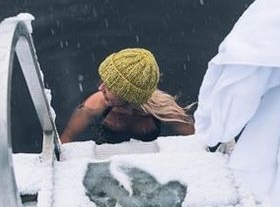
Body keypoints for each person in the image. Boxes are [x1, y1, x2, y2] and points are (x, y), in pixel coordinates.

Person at [59, 48, 194, 144]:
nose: (100, 88)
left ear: (129, 95)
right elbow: (66, 140)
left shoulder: (164, 110)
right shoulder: (93, 106)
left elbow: (198, 142)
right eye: (103, 81)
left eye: (110, 87)